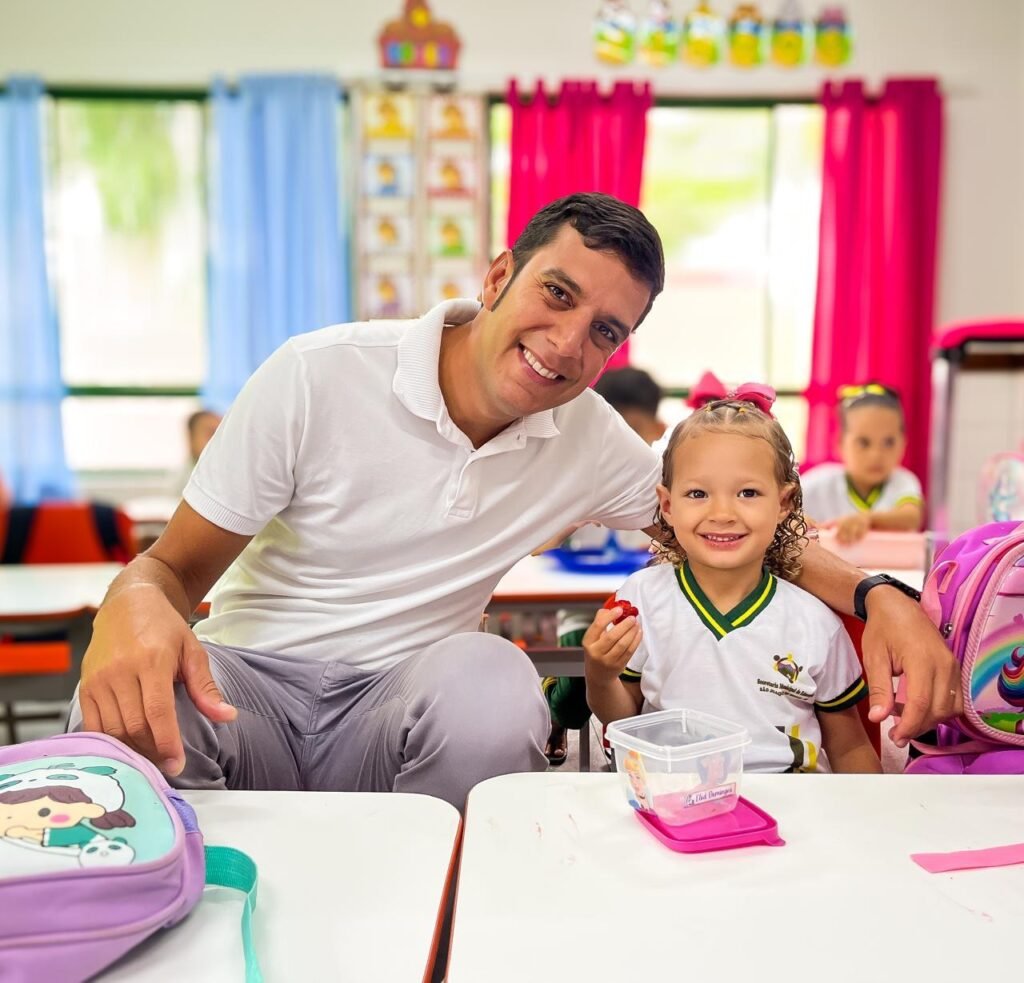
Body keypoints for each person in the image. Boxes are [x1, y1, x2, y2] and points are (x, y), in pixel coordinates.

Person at [72, 193, 954, 810]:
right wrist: (134, 602)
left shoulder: (586, 433)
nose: (567, 344)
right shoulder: (317, 374)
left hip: (400, 710)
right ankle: (181, 895)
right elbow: (168, 571)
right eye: (556, 294)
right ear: (498, 276)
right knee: (131, 694)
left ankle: (445, 903)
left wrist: (882, 596)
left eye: (605, 330)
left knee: (495, 675)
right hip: (251, 690)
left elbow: (725, 523)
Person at [584, 387, 881, 773]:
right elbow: (622, 722)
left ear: (784, 504)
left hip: (790, 803)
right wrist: (600, 676)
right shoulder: (641, 599)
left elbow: (850, 748)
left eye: (747, 492)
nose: (722, 513)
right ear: (668, 506)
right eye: (697, 493)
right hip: (673, 798)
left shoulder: (815, 623)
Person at [543, 366, 666, 765]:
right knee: (575, 700)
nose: (624, 444)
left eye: (634, 430)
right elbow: (538, 546)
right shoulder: (577, 479)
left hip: (641, 615)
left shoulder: (667, 487)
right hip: (580, 609)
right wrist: (570, 519)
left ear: (657, 427)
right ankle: (553, 713)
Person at [801, 384, 924, 545]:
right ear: (840, 443)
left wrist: (868, 519)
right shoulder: (819, 481)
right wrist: (798, 520)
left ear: (903, 443)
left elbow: (911, 517)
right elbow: (780, 507)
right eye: (864, 443)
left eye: (888, 442)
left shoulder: (903, 481)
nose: (876, 455)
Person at [171, 410, 222, 497]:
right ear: (191, 437)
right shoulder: (182, 483)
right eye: (211, 433)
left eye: (220, 434)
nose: (218, 441)